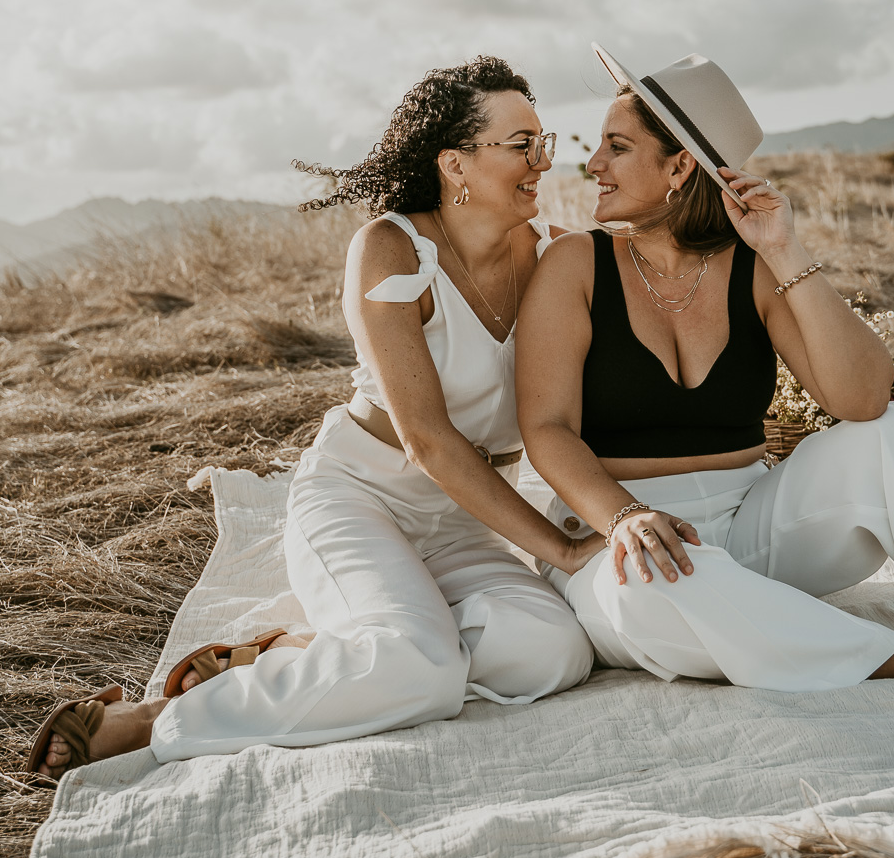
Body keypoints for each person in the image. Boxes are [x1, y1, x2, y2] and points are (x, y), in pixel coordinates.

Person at [29, 57, 600, 781]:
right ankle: (158, 718)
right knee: (422, 672)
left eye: (543, 143)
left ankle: (301, 651)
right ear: (455, 163)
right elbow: (427, 441)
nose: (542, 162)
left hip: (463, 519)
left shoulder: (554, 256)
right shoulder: (393, 249)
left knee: (551, 652)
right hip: (361, 499)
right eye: (522, 145)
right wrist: (564, 550)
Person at [516, 44, 894, 697]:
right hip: (620, 530)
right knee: (639, 601)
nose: (592, 163)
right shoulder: (575, 263)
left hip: (754, 525)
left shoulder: (752, 265)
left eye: (617, 147)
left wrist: (783, 248)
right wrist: (624, 515)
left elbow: (860, 401)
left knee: (890, 434)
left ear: (680, 166)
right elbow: (546, 428)